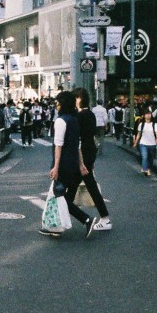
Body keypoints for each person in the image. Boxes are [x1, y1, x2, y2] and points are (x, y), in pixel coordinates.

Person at [41, 91, 98, 237]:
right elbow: (77, 145)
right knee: (59, 196)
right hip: (72, 164)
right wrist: (81, 164)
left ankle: (85, 220)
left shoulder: (60, 121)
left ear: (63, 104)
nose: (56, 106)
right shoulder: (74, 120)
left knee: (58, 196)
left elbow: (58, 145)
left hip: (63, 165)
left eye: (58, 103)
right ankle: (55, 226)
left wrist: (55, 167)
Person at [75, 88, 112, 231]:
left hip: (82, 154)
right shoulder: (90, 114)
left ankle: (97, 219)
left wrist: (80, 161)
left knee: (72, 188)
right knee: (89, 185)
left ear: (79, 98)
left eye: (75, 98)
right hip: (90, 151)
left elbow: (78, 138)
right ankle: (103, 218)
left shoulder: (80, 116)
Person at [133, 108, 157, 177]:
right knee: (144, 157)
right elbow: (139, 134)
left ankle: (147, 167)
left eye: (149, 114)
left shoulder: (154, 124)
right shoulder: (141, 124)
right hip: (143, 143)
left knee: (150, 158)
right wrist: (135, 143)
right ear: (144, 115)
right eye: (147, 114)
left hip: (152, 144)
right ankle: (146, 170)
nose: (148, 115)